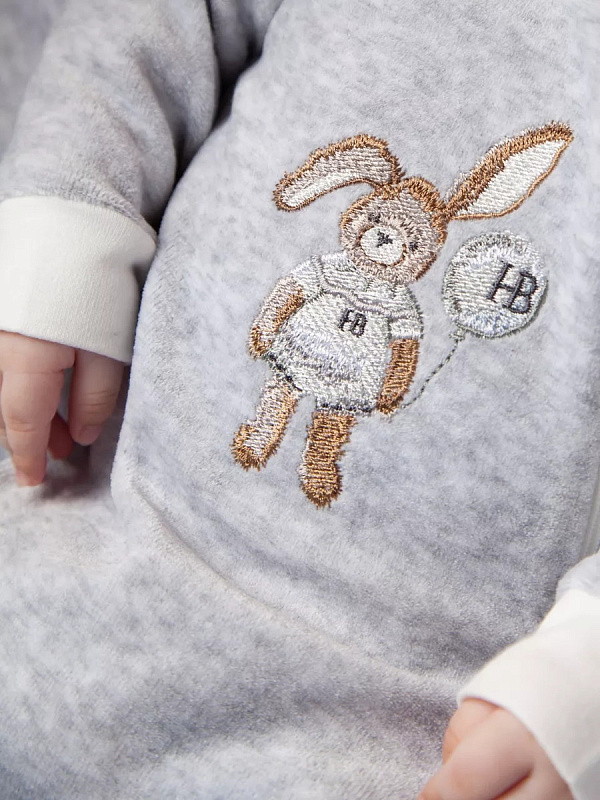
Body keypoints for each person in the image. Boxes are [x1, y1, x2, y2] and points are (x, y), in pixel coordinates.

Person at [0, 1, 597, 798]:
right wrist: (67, 220)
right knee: (282, 393)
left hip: (397, 719)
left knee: (330, 419)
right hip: (91, 507)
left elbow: (406, 347)